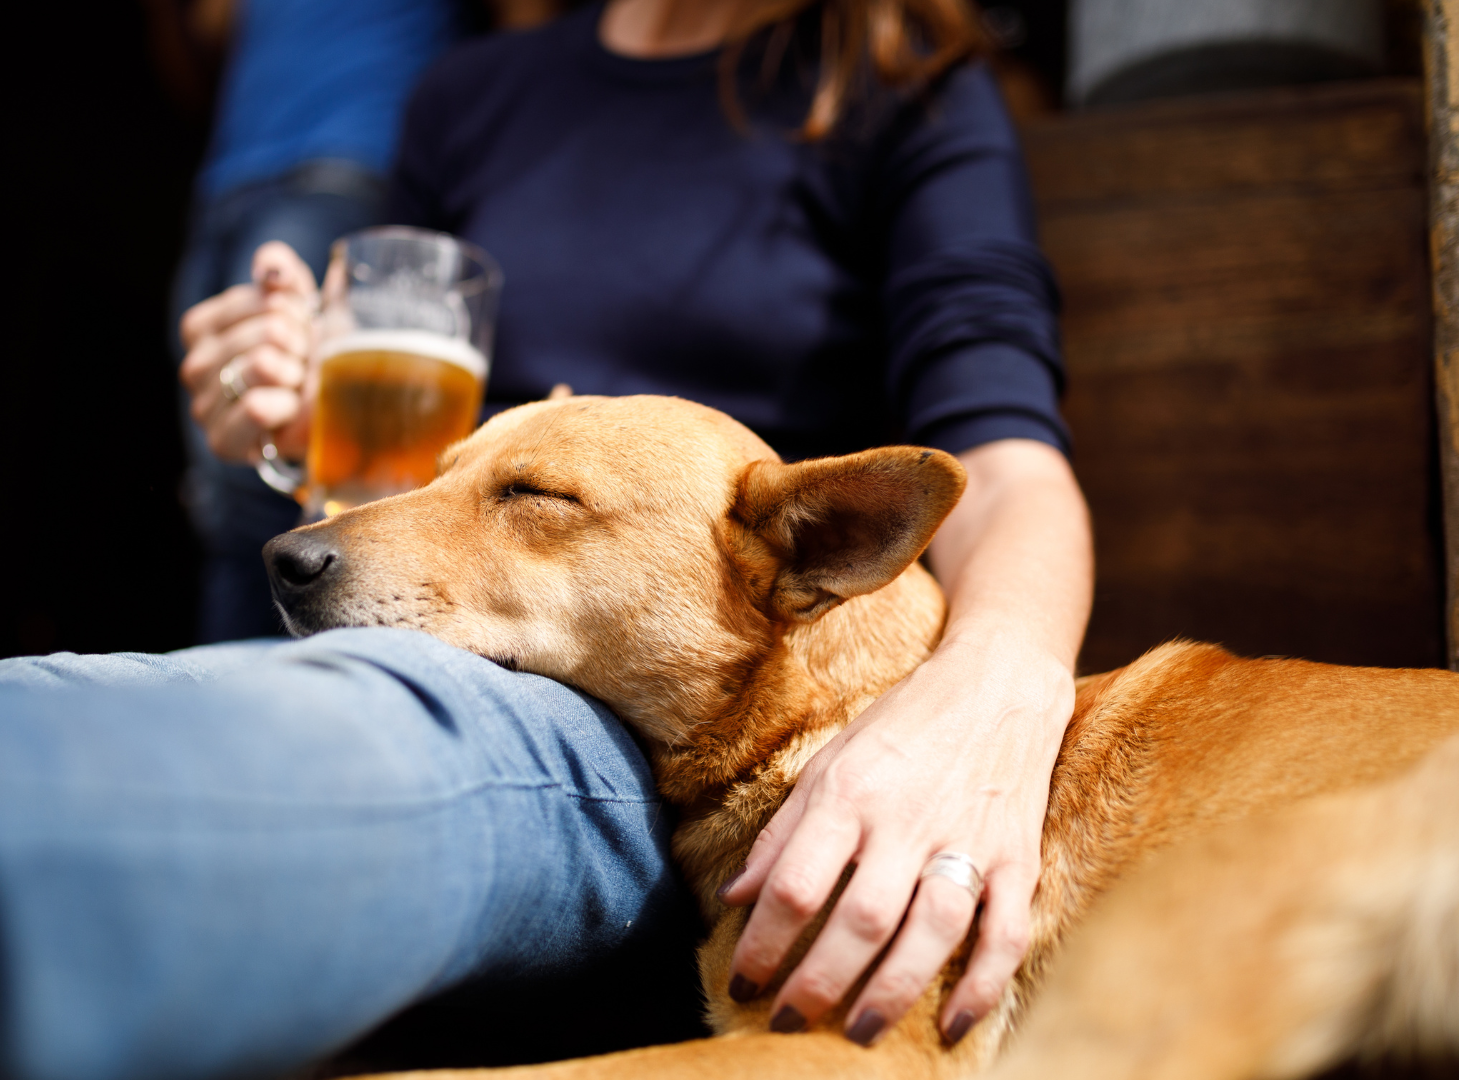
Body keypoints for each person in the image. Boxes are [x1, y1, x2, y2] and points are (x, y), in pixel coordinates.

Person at [179, 0, 1092, 1052]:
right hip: (459, 621)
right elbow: (418, 459)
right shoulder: (472, 92)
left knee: (307, 745)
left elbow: (1006, 456)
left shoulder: (903, 79)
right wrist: (309, 424)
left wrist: (997, 699)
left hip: (685, 690)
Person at [0, 569, 703, 1078]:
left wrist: (879, 723)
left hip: (620, 721)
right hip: (393, 640)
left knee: (381, 727)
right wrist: (252, 438)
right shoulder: (457, 136)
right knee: (50, 694)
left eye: (532, 495)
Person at [170, 0, 467, 643]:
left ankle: (257, 684)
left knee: (263, 477)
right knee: (222, 463)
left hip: (351, 165)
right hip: (231, 176)